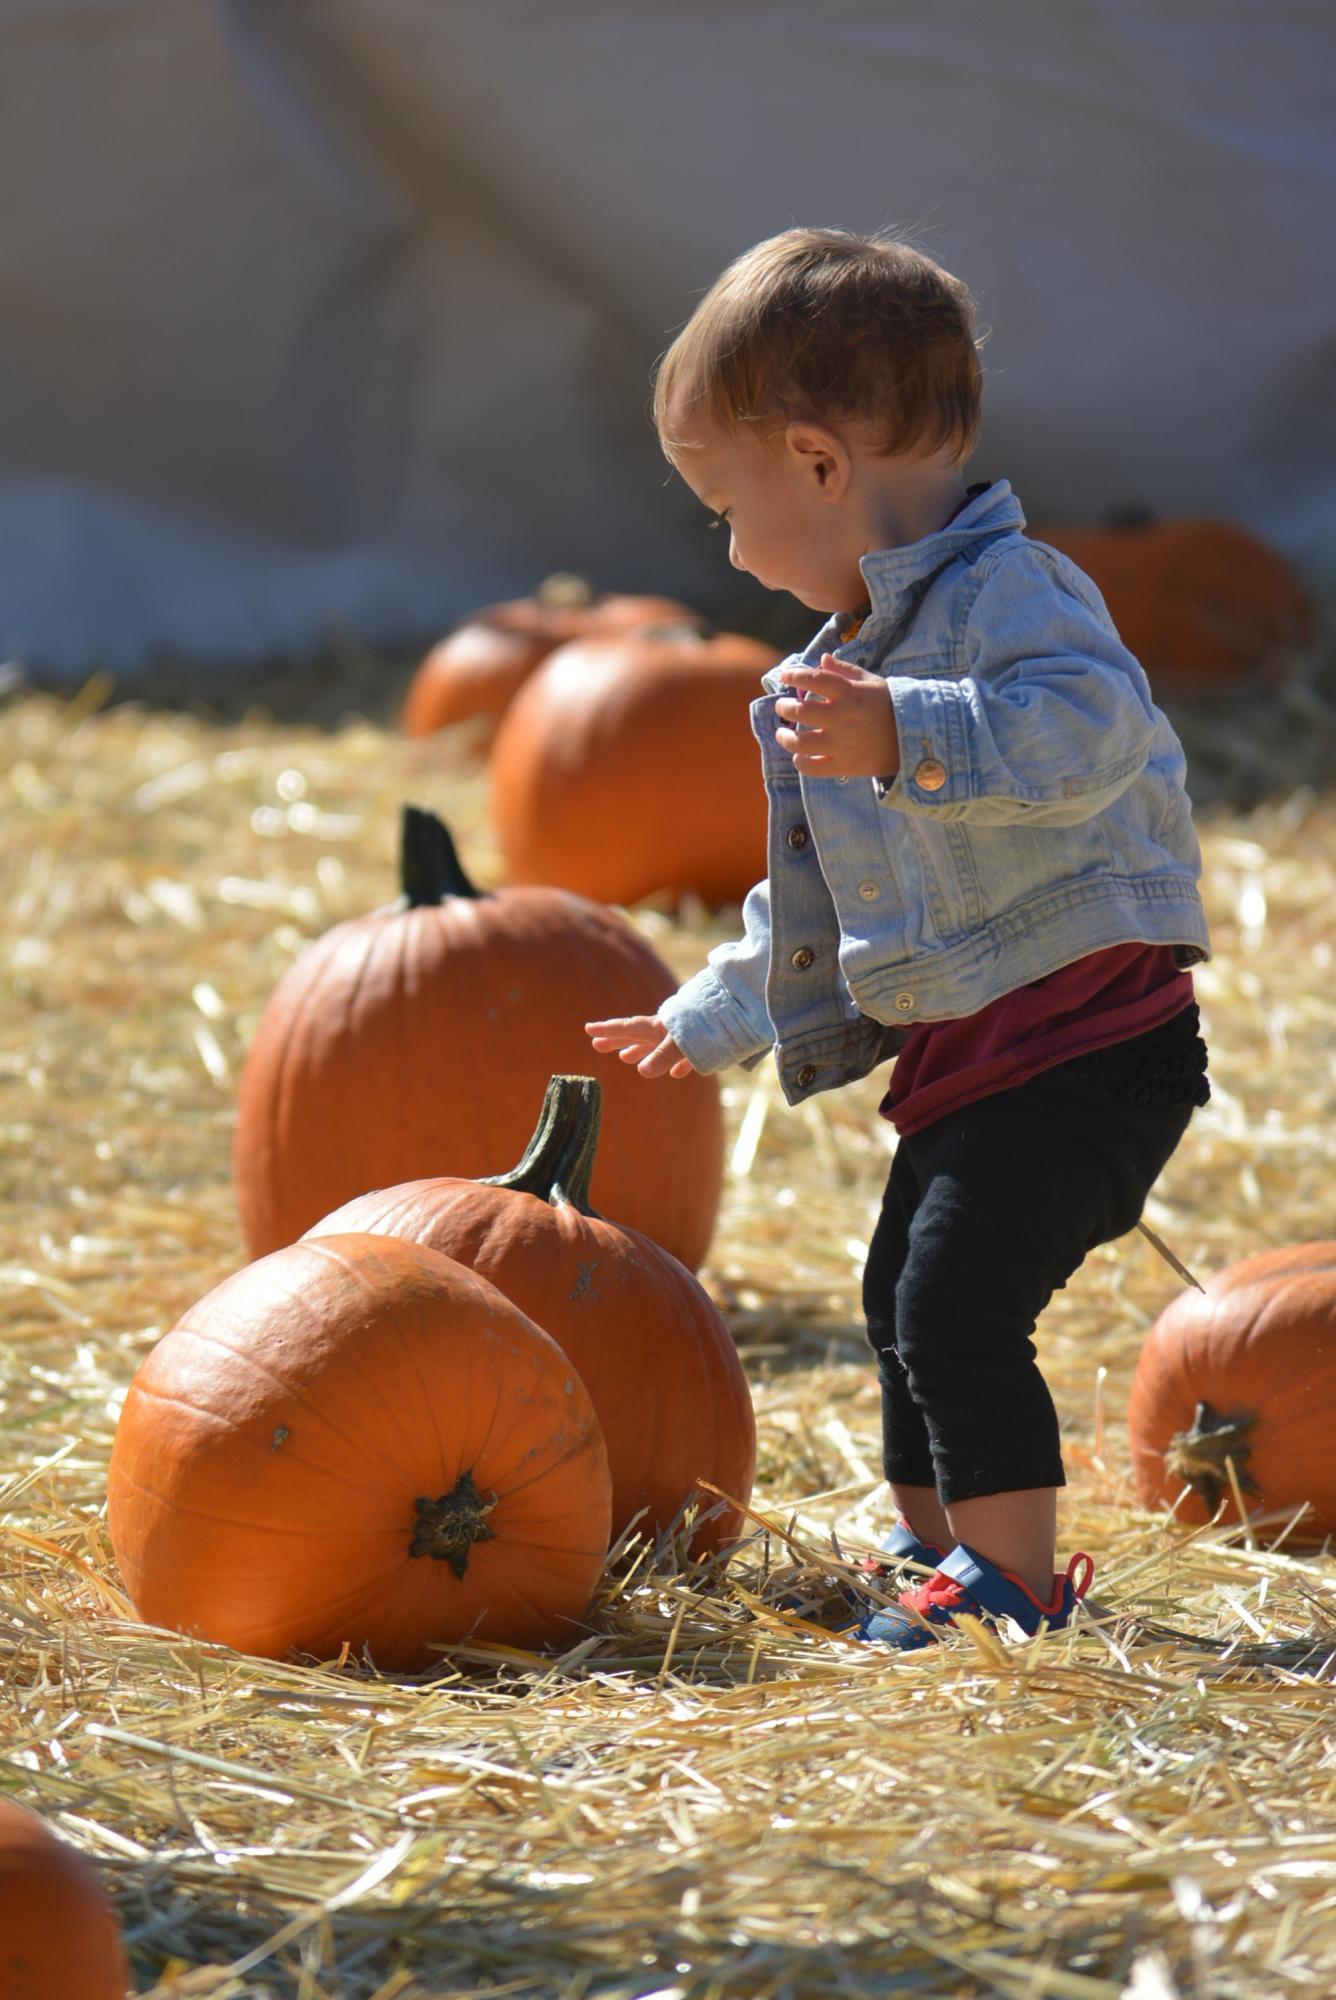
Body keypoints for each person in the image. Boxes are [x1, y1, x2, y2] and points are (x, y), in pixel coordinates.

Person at [584, 227, 1211, 1650]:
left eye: (723, 509)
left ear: (817, 464)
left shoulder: (1015, 597)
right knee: (895, 1300)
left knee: (956, 1306)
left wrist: (911, 732)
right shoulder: (839, 665)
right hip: (975, 1058)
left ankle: (1015, 1584)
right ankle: (935, 1550)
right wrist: (711, 1016)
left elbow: (1096, 737)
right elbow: (818, 910)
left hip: (1091, 1050)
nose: (731, 550)